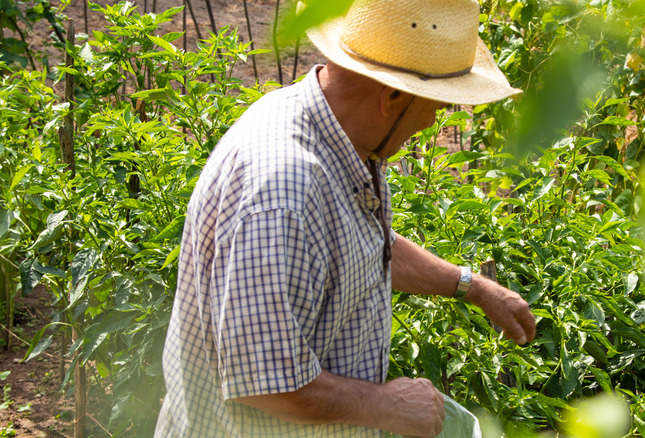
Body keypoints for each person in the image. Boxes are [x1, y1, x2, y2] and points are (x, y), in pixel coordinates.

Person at [154, 0, 536, 436]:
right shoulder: (283, 187)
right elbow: (265, 385)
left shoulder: (337, 133)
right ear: (390, 96)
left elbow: (365, 244)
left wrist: (473, 287)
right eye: (436, 103)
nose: (435, 119)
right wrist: (386, 405)